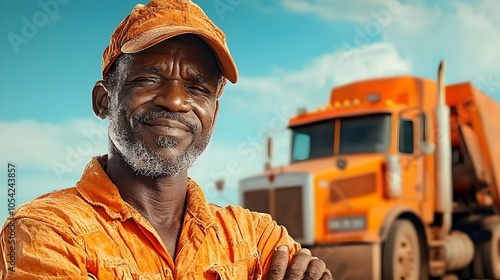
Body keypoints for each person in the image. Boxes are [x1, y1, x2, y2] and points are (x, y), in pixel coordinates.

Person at [0, 1, 332, 279]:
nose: (174, 101)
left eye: (198, 87)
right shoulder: (46, 232)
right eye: (148, 78)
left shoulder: (256, 239)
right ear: (104, 101)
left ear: (213, 115)